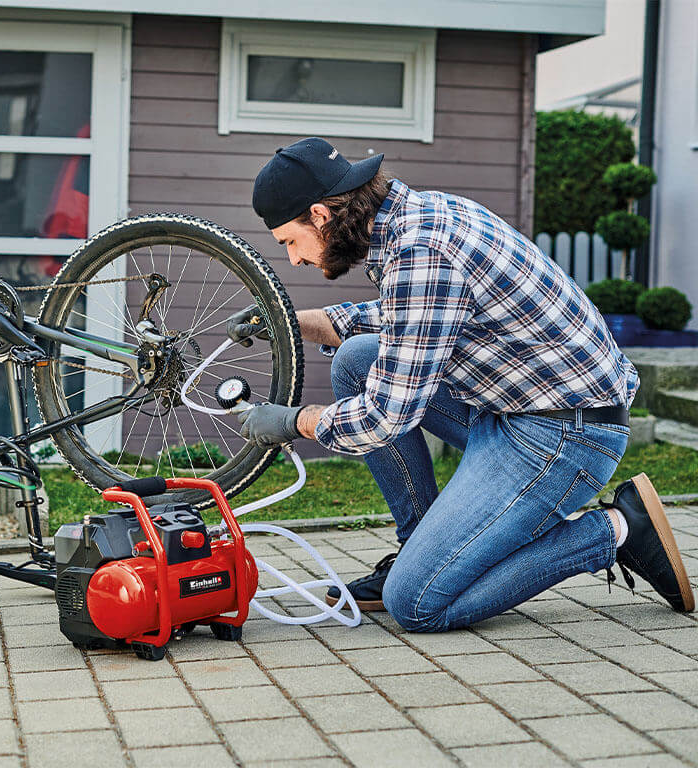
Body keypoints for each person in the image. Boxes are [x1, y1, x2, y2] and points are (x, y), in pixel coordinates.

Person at [226, 137, 694, 632]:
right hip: (518, 409)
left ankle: (616, 531)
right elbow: (403, 320)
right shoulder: (415, 218)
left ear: (320, 215)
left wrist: (293, 422)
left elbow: (386, 416)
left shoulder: (420, 250)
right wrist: (289, 320)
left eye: (289, 242)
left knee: (416, 603)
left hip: (565, 437)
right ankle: (422, 546)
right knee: (356, 360)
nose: (294, 260)